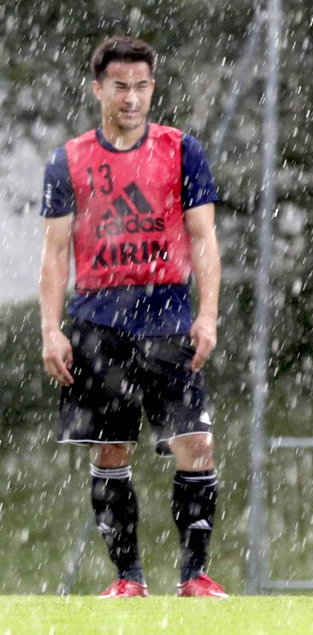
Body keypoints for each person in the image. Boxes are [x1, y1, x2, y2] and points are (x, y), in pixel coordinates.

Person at [39, 36, 227, 599]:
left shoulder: (181, 149)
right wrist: (52, 329)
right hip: (97, 321)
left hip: (167, 314)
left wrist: (208, 315)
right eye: (120, 85)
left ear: (153, 87)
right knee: (109, 449)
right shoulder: (69, 160)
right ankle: (128, 579)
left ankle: (194, 574)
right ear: (98, 88)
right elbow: (54, 251)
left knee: (196, 444)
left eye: (142, 85)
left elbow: (204, 238)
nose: (131, 96)